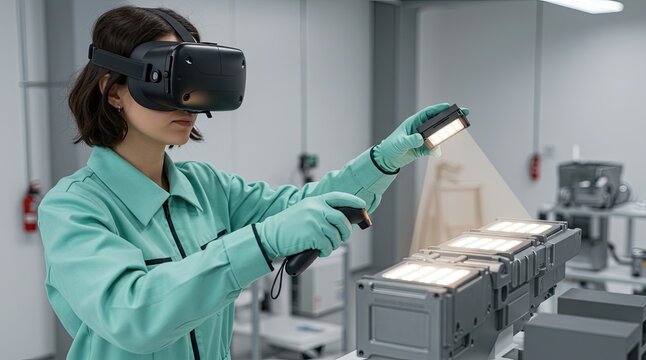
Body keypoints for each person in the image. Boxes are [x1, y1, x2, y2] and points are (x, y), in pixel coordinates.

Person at [38, 5, 469, 360]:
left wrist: (384, 159)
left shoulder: (205, 186)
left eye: (197, 82)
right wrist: (259, 244)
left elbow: (310, 205)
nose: (187, 102)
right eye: (169, 79)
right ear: (113, 90)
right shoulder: (74, 208)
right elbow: (130, 315)